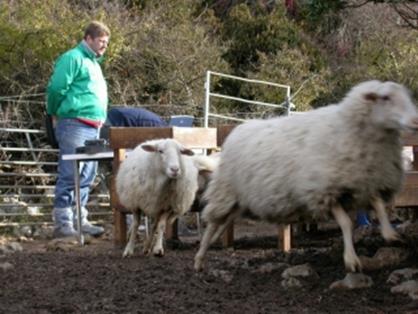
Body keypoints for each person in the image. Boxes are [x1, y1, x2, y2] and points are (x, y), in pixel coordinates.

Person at [46, 21, 111, 238]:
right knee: (70, 172)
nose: (104, 46)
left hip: (93, 126)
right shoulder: (72, 58)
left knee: (86, 175)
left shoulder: (94, 63)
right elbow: (56, 88)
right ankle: (63, 223)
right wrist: (54, 112)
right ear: (89, 38)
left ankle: (79, 220)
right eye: (101, 41)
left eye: (106, 42)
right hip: (74, 123)